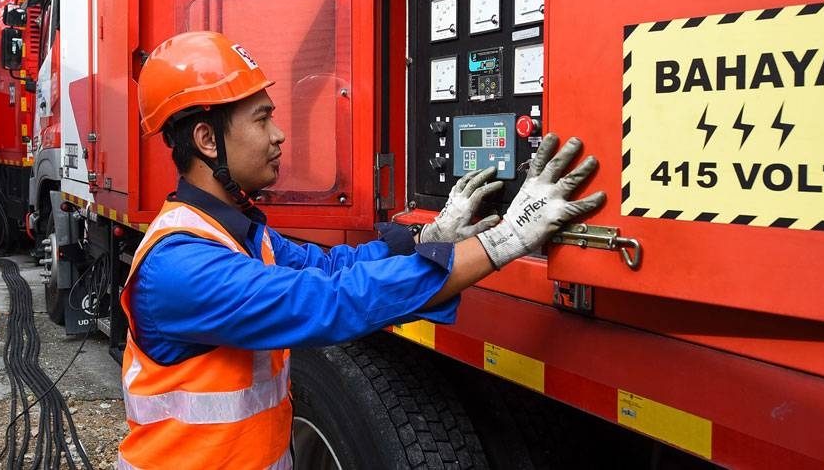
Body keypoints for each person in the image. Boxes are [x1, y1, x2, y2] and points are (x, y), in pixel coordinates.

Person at [119, 31, 606, 470]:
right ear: (207, 139)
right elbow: (331, 300)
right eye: (263, 119)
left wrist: (426, 239)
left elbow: (332, 268)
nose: (279, 134)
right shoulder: (180, 265)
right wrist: (502, 241)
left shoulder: (240, 234)